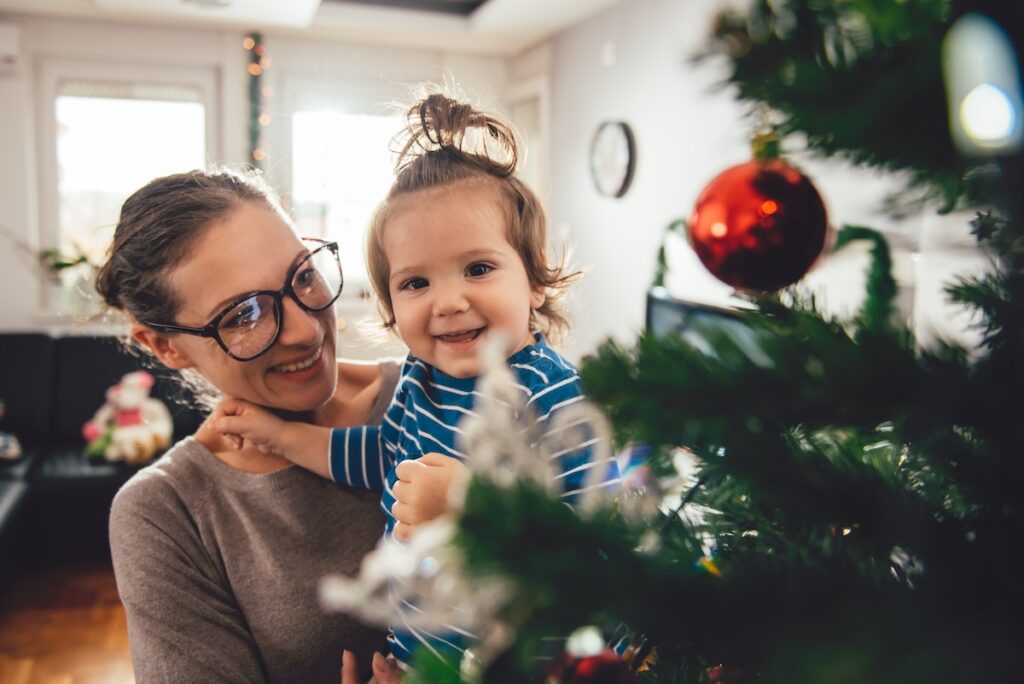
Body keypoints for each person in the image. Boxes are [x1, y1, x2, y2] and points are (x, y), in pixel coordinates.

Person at [211, 93, 620, 669]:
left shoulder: (551, 396)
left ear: (534, 282)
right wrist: (278, 436)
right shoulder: (419, 380)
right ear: (389, 306)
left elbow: (596, 550)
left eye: (478, 269)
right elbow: (381, 455)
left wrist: (472, 505)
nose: (448, 302)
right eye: (415, 283)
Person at [98, 168, 402, 683]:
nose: (307, 330)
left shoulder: (438, 393)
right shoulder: (168, 512)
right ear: (164, 346)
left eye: (303, 275)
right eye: (243, 315)